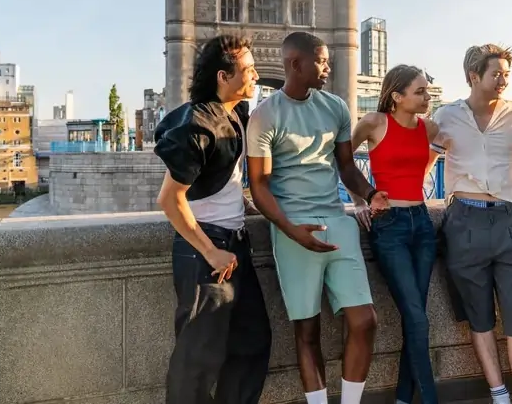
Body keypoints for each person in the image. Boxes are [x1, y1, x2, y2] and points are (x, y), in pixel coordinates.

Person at [246, 32, 388, 404]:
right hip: (292, 230)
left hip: (337, 221)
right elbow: (258, 187)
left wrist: (371, 194)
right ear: (296, 64)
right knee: (307, 332)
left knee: (364, 321)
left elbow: (346, 168)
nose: (328, 67)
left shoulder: (337, 107)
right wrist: (292, 231)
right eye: (322, 61)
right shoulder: (264, 116)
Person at [154, 35, 271, 404]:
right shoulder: (198, 125)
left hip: (235, 243)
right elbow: (169, 200)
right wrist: (210, 252)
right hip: (206, 251)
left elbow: (226, 178)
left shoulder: (235, 114)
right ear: (224, 76)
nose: (256, 75)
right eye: (248, 69)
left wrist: (244, 207)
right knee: (197, 360)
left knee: (252, 341)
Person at [428, 44, 512, 404]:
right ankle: (499, 394)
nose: (503, 81)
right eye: (496, 73)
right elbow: (423, 159)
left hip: (510, 220)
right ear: (473, 76)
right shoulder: (446, 115)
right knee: (479, 318)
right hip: (464, 219)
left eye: (507, 74)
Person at [350, 65, 441, 404]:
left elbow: (457, 151)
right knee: (417, 316)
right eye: (420, 92)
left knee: (415, 315)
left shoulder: (429, 127)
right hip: (389, 226)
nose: (427, 97)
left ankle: (404, 397)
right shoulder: (374, 123)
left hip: (422, 223)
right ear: (397, 96)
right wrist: (361, 198)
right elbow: (341, 159)